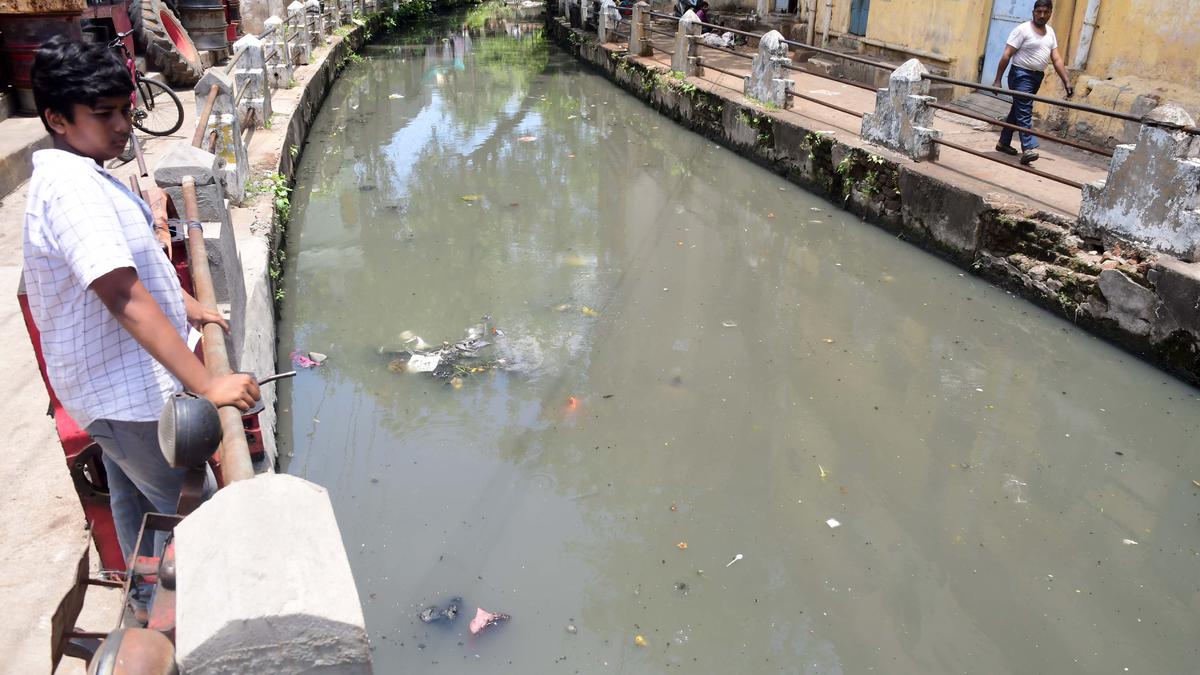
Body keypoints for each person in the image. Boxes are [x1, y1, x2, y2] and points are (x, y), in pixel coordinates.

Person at [23, 37, 260, 617]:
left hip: (103, 391)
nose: (122, 124)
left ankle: (141, 607)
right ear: (57, 118)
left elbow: (136, 265)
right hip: (125, 397)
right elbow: (122, 294)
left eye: (125, 109)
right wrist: (209, 383)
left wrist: (186, 304)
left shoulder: (84, 172)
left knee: (134, 498)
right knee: (200, 508)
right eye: (102, 113)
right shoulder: (73, 189)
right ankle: (196, 626)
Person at [991, 0, 1074, 165]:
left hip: (1037, 77)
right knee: (1025, 110)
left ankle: (1003, 142)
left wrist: (1066, 80)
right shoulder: (1022, 30)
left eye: (1045, 12)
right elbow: (1007, 54)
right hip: (1020, 75)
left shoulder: (1050, 32)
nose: (1042, 15)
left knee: (1018, 109)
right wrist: (997, 80)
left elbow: (1056, 58)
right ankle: (1028, 148)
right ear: (1033, 12)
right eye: (1039, 12)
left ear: (1050, 12)